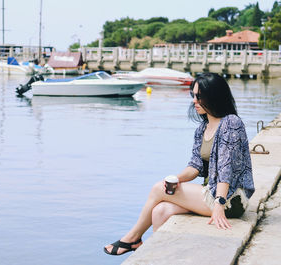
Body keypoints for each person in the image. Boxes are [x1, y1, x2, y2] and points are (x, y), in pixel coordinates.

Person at [103, 72, 255, 256]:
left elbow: (226, 168)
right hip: (212, 194)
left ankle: (133, 238)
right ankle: (158, 256)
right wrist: (177, 179)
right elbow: (195, 166)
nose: (194, 101)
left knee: (158, 189)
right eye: (193, 96)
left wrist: (219, 203)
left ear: (214, 96)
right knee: (160, 211)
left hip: (231, 199)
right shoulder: (202, 128)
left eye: (199, 96)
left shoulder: (231, 123)